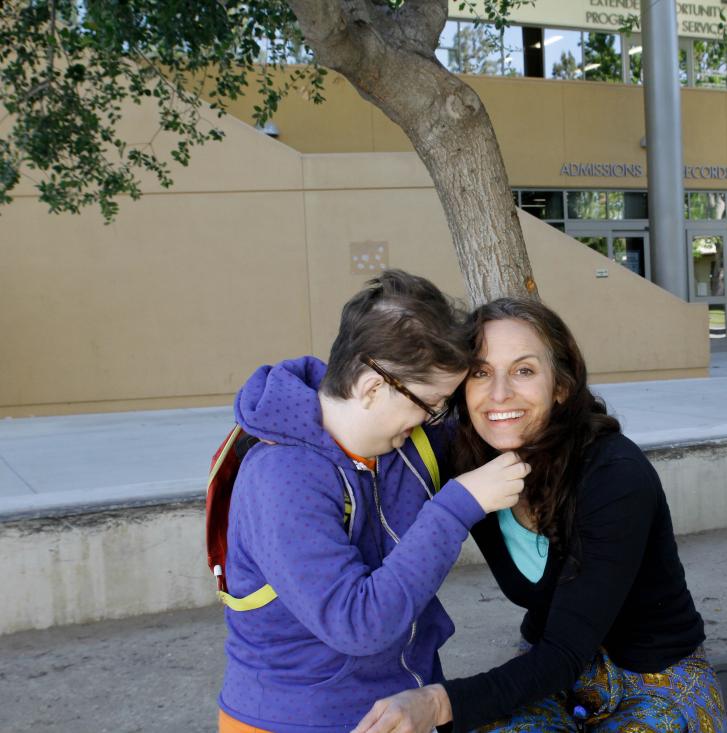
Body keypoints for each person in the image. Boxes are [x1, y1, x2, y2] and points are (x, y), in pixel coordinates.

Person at [355, 298, 727, 733]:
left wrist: (436, 703)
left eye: (524, 370)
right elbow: (354, 423)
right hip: (547, 676)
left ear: (561, 386)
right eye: (480, 372)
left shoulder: (613, 475)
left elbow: (564, 652)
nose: (499, 394)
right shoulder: (465, 459)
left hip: (656, 679)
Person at [217, 271, 530, 733]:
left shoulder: (407, 441)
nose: (434, 418)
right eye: (429, 403)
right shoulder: (280, 478)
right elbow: (357, 624)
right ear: (371, 387)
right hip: (297, 720)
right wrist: (456, 506)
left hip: (403, 704)